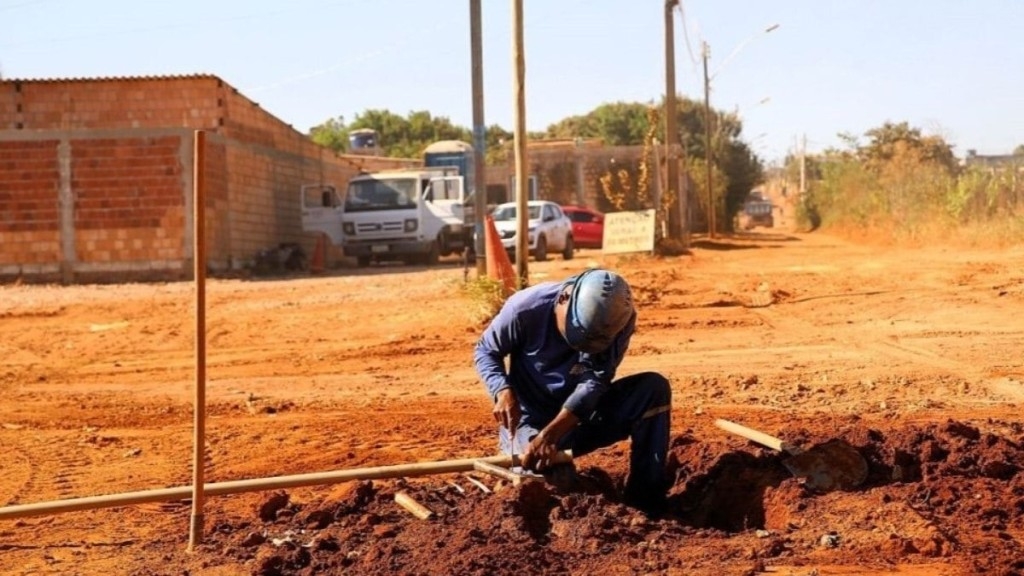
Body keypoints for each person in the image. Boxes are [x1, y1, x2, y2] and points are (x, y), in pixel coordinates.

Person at [473, 268, 672, 513]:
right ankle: (537, 466)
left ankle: (646, 502)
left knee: (652, 391)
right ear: (564, 300)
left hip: (581, 418)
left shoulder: (618, 319)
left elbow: (596, 381)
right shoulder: (525, 308)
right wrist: (501, 389)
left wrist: (552, 435)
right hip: (529, 422)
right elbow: (486, 351)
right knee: (550, 483)